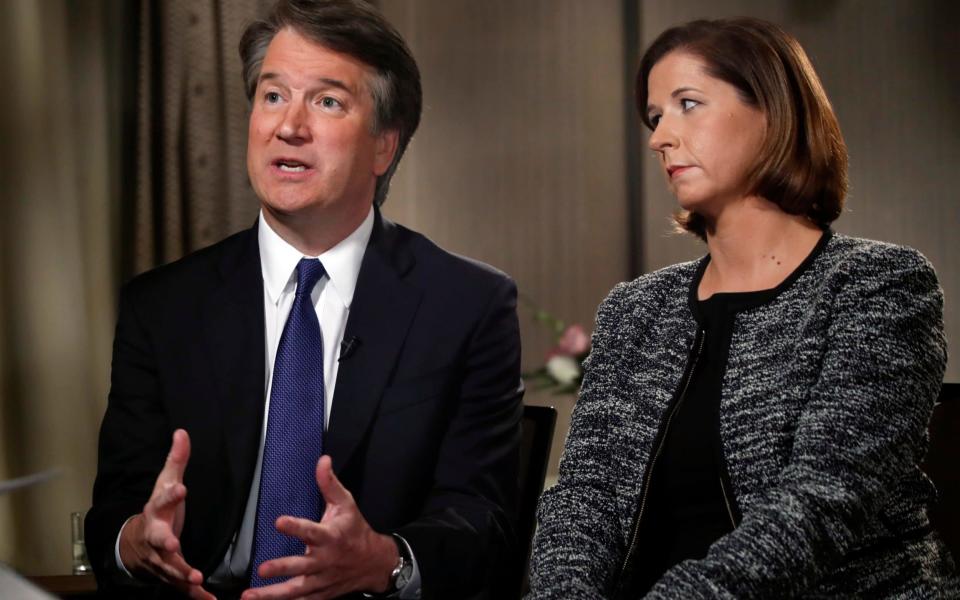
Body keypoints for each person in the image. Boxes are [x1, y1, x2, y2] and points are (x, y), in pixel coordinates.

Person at [85, 1, 523, 599]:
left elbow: (482, 519)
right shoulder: (162, 307)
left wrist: (384, 561)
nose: (287, 126)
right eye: (271, 96)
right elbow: (114, 509)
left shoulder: (468, 304)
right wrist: (136, 539)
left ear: (383, 148)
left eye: (326, 101)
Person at [527, 17, 956, 598]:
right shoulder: (636, 309)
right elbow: (588, 497)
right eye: (655, 117)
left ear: (772, 112)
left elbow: (824, 500)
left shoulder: (877, 285)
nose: (659, 137)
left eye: (687, 104)